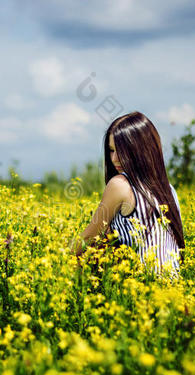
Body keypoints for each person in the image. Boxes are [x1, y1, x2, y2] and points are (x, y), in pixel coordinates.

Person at [69, 111, 185, 279]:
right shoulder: (169, 189)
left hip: (140, 289)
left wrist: (56, 261)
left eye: (122, 151)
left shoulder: (120, 185)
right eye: (111, 150)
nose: (115, 158)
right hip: (173, 292)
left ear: (141, 151)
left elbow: (87, 237)